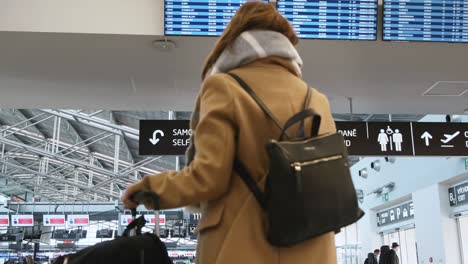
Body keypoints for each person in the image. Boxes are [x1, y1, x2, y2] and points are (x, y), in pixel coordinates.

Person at [122, 2, 337, 263]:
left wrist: (146, 190)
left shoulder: (225, 87)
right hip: (312, 250)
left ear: (234, 39)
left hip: (240, 246)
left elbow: (208, 177)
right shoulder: (317, 100)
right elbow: (329, 184)